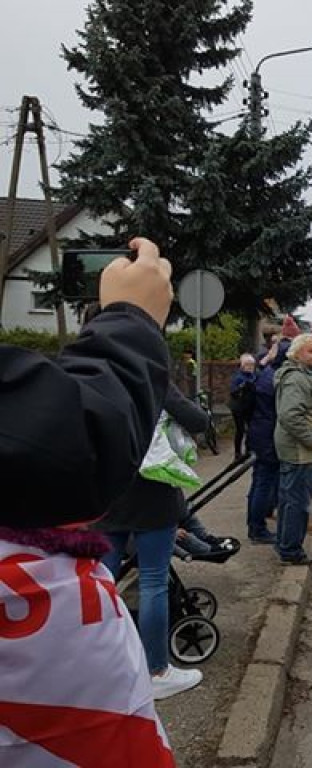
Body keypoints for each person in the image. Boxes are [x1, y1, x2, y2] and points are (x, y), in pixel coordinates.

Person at [1, 237, 180, 764]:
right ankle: (159, 666)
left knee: (126, 572)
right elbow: (68, 435)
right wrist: (133, 321)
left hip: (107, 516)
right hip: (135, 504)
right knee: (149, 580)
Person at [96, 383, 209, 699]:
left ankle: (100, 664)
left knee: (101, 582)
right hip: (152, 495)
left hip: (107, 493)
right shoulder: (148, 377)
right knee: (153, 582)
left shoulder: (93, 375)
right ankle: (155, 669)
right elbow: (198, 420)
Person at [273, 334, 312, 565]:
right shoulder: (296, 379)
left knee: (290, 499)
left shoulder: (301, 376)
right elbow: (290, 415)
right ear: (297, 353)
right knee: (296, 501)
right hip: (299, 450)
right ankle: (290, 550)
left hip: (298, 449)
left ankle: (285, 545)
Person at [245, 339, 289, 544]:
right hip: (268, 434)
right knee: (264, 482)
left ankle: (254, 524)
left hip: (258, 431)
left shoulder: (264, 374)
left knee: (259, 481)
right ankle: (257, 528)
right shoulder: (276, 379)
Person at [229, 353, 258, 462]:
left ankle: (249, 450)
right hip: (239, 408)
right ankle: (237, 453)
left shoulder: (255, 376)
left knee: (251, 429)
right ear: (242, 365)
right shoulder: (238, 377)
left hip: (250, 407)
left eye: (252, 365)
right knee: (240, 430)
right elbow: (233, 392)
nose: (250, 367)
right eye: (247, 365)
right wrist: (242, 387)